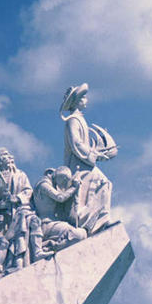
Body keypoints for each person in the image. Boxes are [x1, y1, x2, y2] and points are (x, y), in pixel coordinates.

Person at [60, 83, 114, 234]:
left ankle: (100, 219)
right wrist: (93, 155)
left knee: (103, 184)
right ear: (76, 102)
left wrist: (97, 152)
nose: (86, 100)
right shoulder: (73, 120)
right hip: (79, 165)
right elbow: (76, 143)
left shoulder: (79, 119)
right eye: (83, 97)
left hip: (85, 162)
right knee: (103, 183)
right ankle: (88, 220)